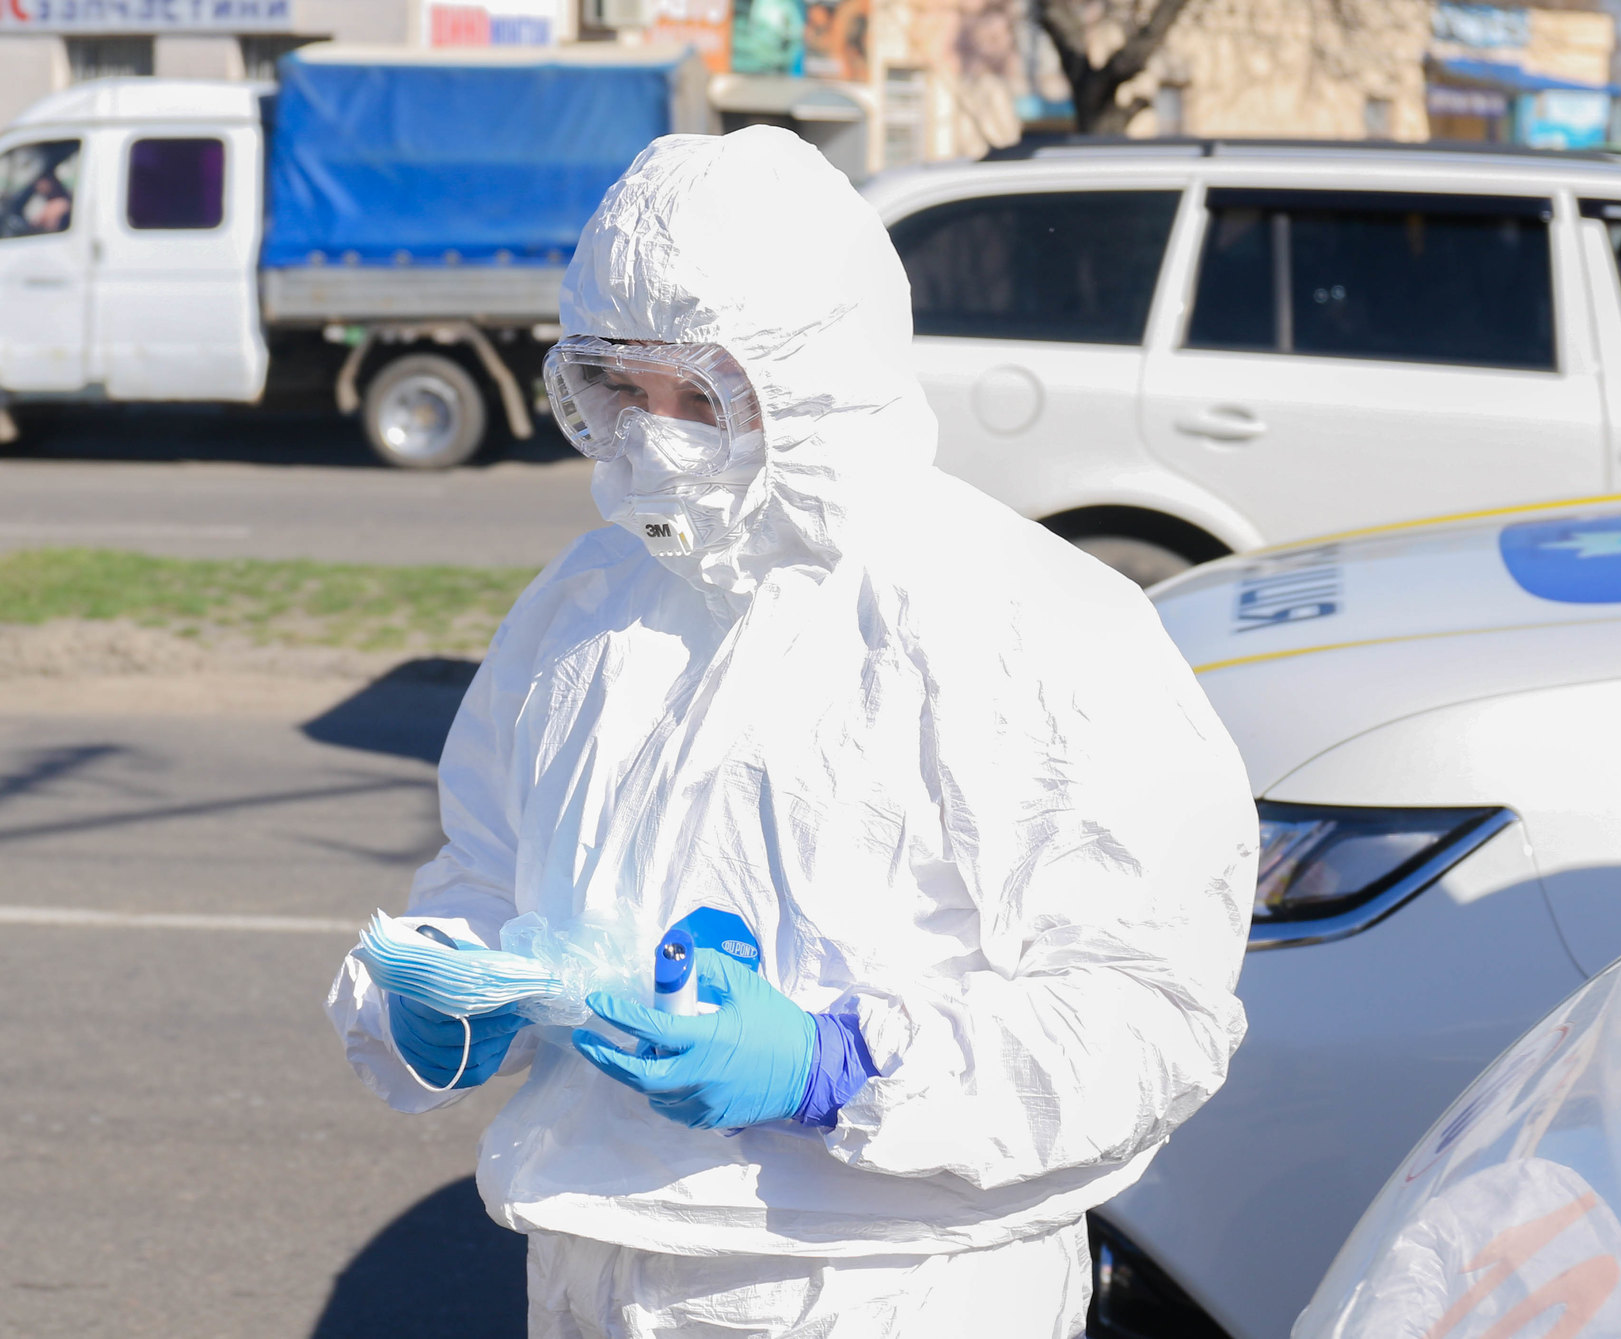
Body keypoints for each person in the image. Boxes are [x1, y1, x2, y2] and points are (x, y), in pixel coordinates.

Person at [327, 126, 1256, 1339]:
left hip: (890, 1288)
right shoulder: (584, 607)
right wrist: (443, 994)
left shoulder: (1030, 626)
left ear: (813, 379)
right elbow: (488, 869)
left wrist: (841, 1068)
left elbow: (1147, 1010)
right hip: (589, 1270)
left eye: (699, 396)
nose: (653, 438)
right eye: (617, 388)